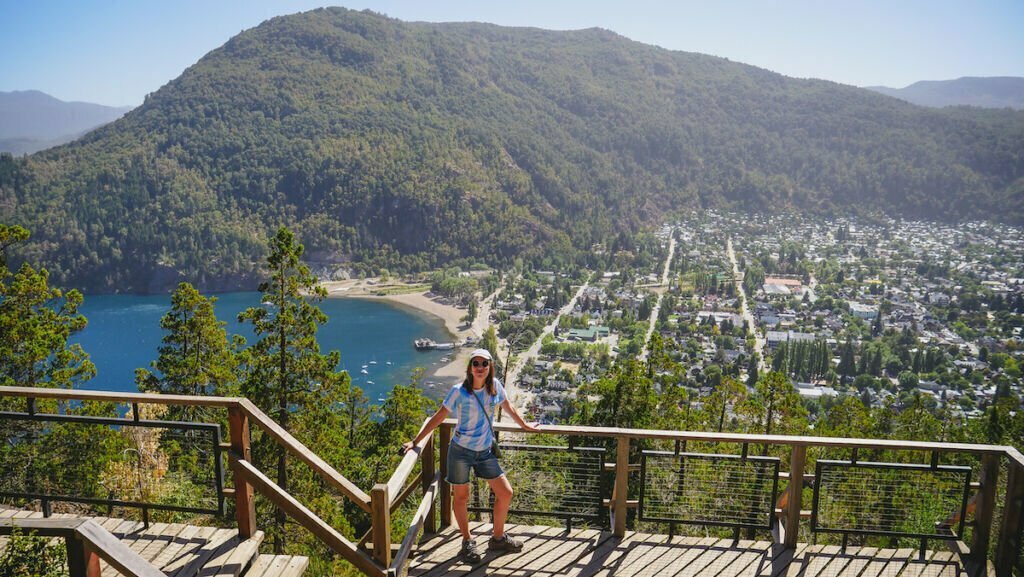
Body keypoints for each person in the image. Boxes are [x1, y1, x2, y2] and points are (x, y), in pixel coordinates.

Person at [401, 348, 540, 563]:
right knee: (462, 496)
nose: (480, 368)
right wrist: (415, 441)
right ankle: (467, 541)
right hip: (460, 452)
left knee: (505, 492)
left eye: (484, 364)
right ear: (470, 367)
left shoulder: (495, 387)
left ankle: (498, 538)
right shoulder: (459, 391)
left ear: (490, 366)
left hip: (484, 451)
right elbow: (438, 417)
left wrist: (524, 425)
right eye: (476, 363)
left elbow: (508, 406)